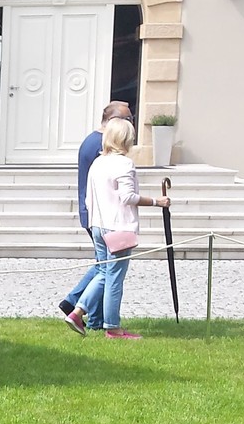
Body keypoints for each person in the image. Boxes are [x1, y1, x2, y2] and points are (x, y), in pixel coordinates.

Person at [82, 117, 169, 340]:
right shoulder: (123, 163)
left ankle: (77, 310)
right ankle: (112, 327)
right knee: (114, 278)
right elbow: (127, 197)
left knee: (103, 272)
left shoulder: (98, 163)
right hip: (117, 226)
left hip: (99, 224)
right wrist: (156, 202)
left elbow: (89, 198)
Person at [60, 100, 133, 333]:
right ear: (114, 122)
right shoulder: (98, 146)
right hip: (105, 218)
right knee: (107, 270)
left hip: (98, 216)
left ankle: (78, 308)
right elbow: (113, 192)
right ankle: (91, 316)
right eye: (127, 120)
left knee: (103, 268)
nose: (130, 124)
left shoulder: (96, 144)